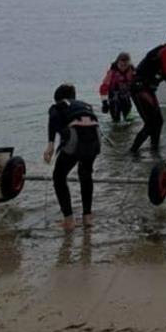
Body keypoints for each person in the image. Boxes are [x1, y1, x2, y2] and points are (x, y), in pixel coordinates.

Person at [44, 83, 102, 231]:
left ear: (57, 98)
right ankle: (87, 217)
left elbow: (53, 119)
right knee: (85, 174)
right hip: (95, 137)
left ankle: (69, 220)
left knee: (59, 176)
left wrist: (50, 145)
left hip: (76, 137)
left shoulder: (58, 105)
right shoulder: (85, 104)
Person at [99, 52, 135, 123]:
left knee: (129, 120)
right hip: (114, 99)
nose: (123, 68)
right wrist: (104, 103)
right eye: (121, 65)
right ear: (117, 63)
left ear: (129, 64)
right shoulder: (112, 73)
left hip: (126, 99)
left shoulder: (132, 71)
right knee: (116, 121)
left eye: (125, 65)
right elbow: (103, 88)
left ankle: (129, 132)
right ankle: (116, 132)